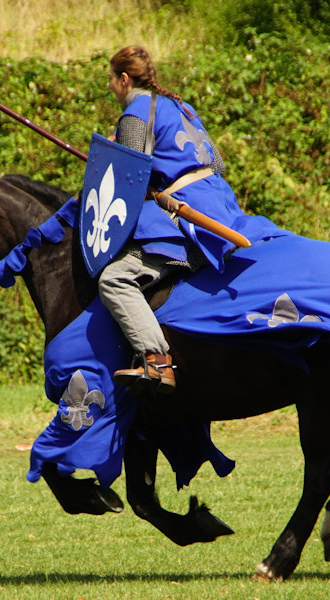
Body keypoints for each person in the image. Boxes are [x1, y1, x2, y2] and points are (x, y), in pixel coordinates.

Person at [98, 45, 251, 393]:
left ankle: (157, 360)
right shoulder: (181, 106)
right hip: (223, 206)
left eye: (111, 80)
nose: (110, 88)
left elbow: (130, 179)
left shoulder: (137, 112)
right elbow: (219, 165)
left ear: (124, 79)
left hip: (194, 217)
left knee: (115, 278)